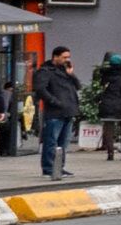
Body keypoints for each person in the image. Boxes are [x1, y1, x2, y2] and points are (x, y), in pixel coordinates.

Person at [30, 48, 83, 179]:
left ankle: (60, 166)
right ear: (55, 57)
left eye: (68, 57)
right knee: (51, 141)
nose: (67, 60)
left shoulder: (65, 71)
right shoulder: (45, 71)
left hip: (68, 111)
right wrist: (54, 101)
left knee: (63, 143)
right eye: (64, 57)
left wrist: (72, 74)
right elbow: (40, 89)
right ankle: (48, 168)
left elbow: (78, 86)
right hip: (55, 112)